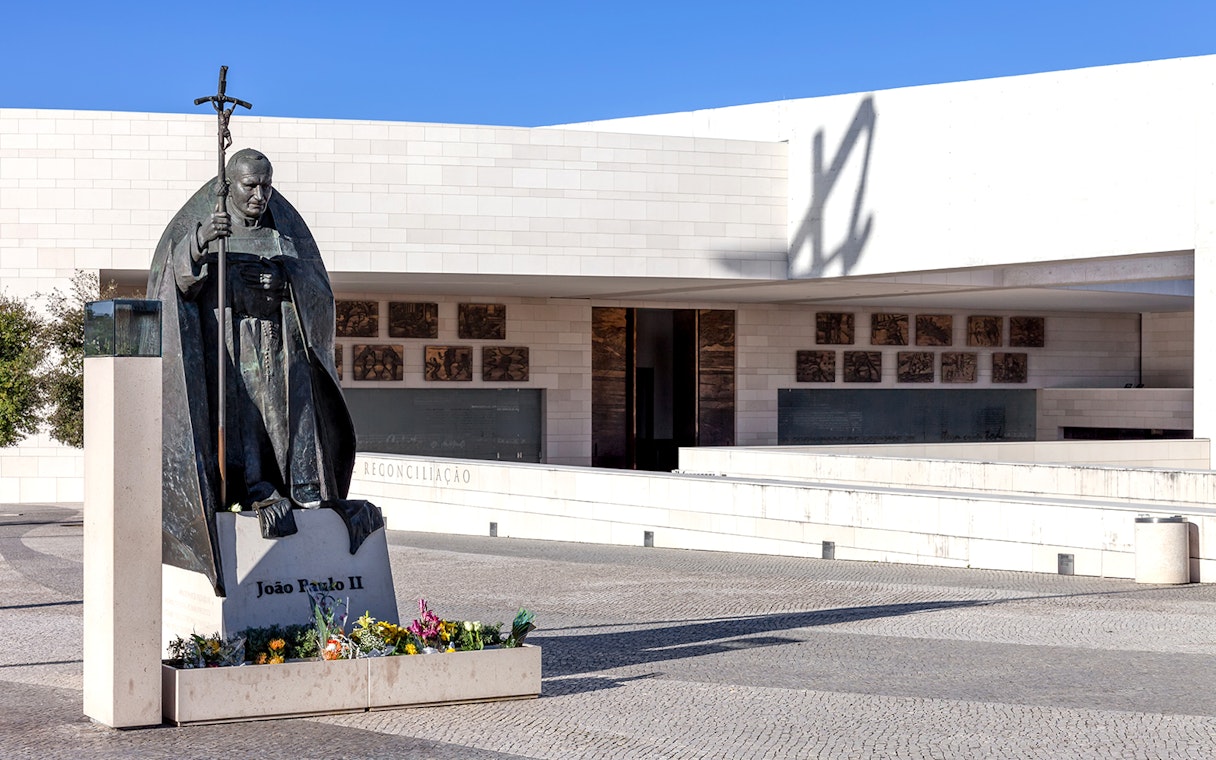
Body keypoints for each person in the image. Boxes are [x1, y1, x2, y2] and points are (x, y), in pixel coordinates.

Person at [148, 148, 381, 596]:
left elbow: (316, 289)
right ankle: (254, 490)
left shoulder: (282, 228)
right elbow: (174, 284)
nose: (259, 195)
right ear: (230, 185)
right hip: (231, 351)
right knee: (247, 424)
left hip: (281, 344)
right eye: (250, 186)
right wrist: (198, 243)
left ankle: (302, 493)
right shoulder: (205, 226)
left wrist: (286, 285)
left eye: (266, 185)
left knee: (291, 419)